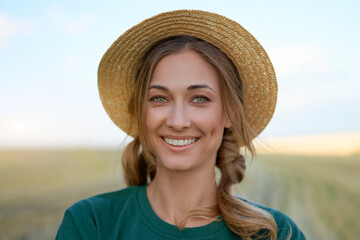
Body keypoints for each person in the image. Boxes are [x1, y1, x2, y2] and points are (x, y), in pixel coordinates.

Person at [56, 10, 306, 240]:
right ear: (141, 113)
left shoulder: (277, 233)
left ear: (229, 112)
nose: (177, 122)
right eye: (159, 98)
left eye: (199, 99)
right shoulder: (91, 224)